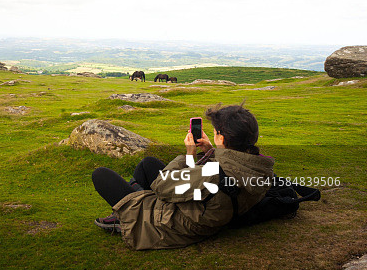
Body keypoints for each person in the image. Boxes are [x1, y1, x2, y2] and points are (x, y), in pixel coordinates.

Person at [91, 104, 274, 250]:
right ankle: (130, 207)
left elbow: (161, 185)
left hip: (178, 223)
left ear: (222, 138)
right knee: (148, 164)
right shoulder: (259, 168)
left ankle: (127, 218)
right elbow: (224, 174)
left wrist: (188, 155)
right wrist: (211, 151)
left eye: (216, 131)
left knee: (101, 175)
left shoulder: (210, 176)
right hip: (209, 208)